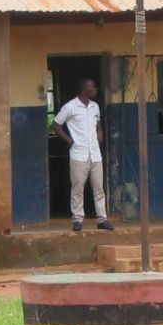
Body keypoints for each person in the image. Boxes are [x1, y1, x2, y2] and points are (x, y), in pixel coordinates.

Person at [52, 78, 113, 232]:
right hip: (78, 154)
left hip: (95, 154)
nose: (95, 89)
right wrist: (68, 140)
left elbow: (98, 124)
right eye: (92, 87)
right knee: (78, 187)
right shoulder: (70, 107)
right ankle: (78, 219)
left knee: (99, 187)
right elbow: (55, 124)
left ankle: (102, 219)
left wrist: (100, 133)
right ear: (84, 89)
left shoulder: (95, 107)